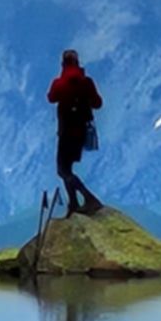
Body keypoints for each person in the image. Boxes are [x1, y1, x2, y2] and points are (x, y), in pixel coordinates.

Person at [47, 49, 103, 215]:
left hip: (65, 132)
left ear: (63, 64)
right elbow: (97, 103)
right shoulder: (87, 82)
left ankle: (87, 198)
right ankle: (74, 204)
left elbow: (51, 97)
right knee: (67, 168)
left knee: (63, 169)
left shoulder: (60, 83)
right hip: (81, 132)